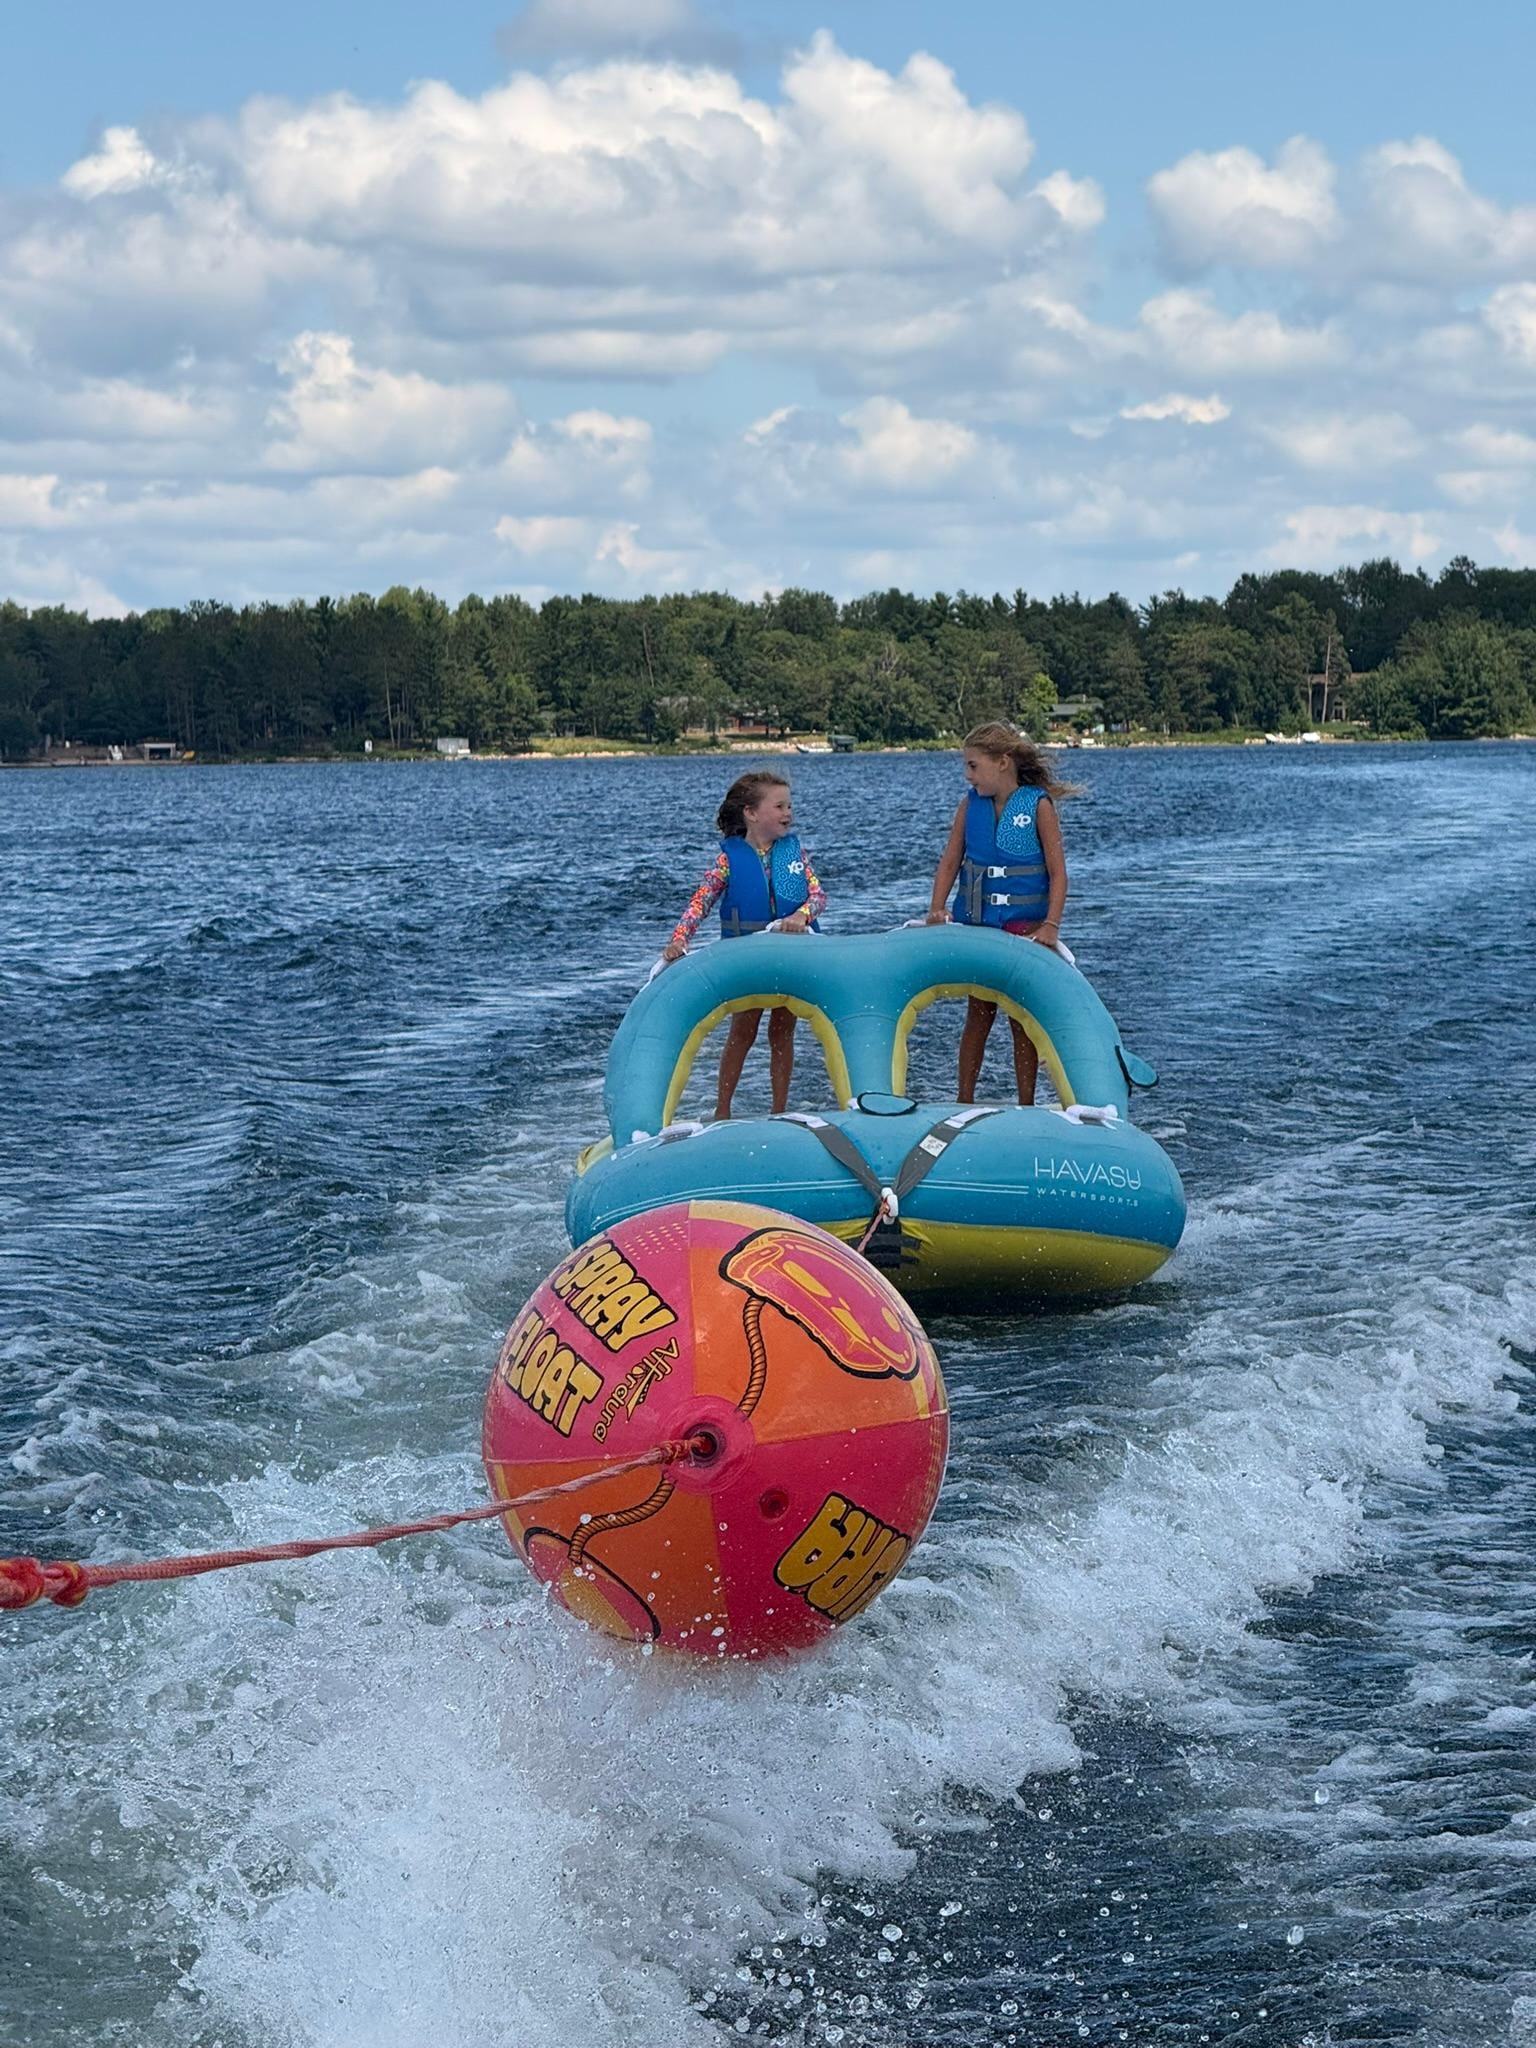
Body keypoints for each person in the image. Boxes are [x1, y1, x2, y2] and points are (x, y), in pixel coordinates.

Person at [662, 771, 827, 1119]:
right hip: (746, 959)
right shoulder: (728, 859)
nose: (788, 813)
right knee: (743, 1031)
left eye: (790, 806)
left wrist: (802, 916)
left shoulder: (793, 854)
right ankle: (722, 1110)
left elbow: (817, 895)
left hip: (788, 955)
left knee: (782, 1032)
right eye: (779, 806)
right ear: (751, 813)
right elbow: (700, 902)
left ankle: (779, 1111)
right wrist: (679, 940)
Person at [925, 722, 1070, 1105]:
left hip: (1025, 931)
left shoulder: (1037, 806)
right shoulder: (969, 806)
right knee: (978, 1018)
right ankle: (964, 1101)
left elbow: (1058, 874)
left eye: (973, 766)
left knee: (1021, 1023)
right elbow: (950, 861)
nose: (967, 776)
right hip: (979, 930)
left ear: (1002, 763)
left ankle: (1026, 1103)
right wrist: (937, 909)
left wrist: (1051, 925)